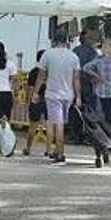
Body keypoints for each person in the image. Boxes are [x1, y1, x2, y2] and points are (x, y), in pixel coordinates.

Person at [34, 30, 82, 166]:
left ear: (54, 40)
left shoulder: (47, 55)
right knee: (60, 124)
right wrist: (78, 97)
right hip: (68, 95)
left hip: (53, 94)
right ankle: (58, 151)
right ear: (66, 41)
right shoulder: (73, 57)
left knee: (58, 125)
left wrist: (36, 93)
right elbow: (76, 79)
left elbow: (41, 76)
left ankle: (60, 153)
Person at [23, 50, 49, 156]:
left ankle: (28, 148)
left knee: (33, 125)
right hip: (48, 98)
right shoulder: (50, 71)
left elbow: (30, 88)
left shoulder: (33, 72)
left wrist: (27, 102)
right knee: (49, 125)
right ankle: (49, 150)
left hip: (36, 99)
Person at [73, 29, 102, 113]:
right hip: (87, 83)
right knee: (90, 107)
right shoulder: (92, 52)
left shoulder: (75, 50)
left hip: (75, 82)